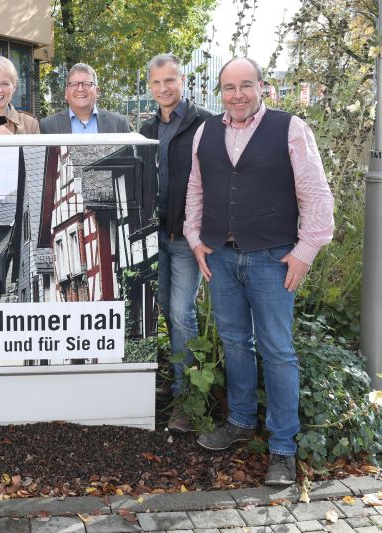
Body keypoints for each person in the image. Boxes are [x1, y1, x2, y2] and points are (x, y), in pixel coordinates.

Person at [183, 57, 334, 485]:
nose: (237, 95)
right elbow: (196, 189)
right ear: (220, 92)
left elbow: (317, 196)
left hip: (273, 258)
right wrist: (195, 240)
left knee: (278, 351)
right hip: (222, 259)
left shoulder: (290, 128)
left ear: (261, 86)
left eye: (245, 85)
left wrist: (305, 252)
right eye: (229, 88)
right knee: (234, 342)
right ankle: (240, 422)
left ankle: (284, 447)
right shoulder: (206, 131)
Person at [139, 53, 212, 432]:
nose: (163, 88)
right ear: (150, 86)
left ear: (182, 81)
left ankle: (188, 400)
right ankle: (180, 382)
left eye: (170, 81)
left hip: (187, 238)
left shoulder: (204, 124)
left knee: (183, 316)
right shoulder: (148, 129)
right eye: (156, 82)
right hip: (155, 237)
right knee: (168, 312)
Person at [40, 63, 131, 134]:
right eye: (74, 84)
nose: (80, 89)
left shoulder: (119, 124)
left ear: (97, 92)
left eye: (87, 84)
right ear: (66, 93)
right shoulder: (47, 126)